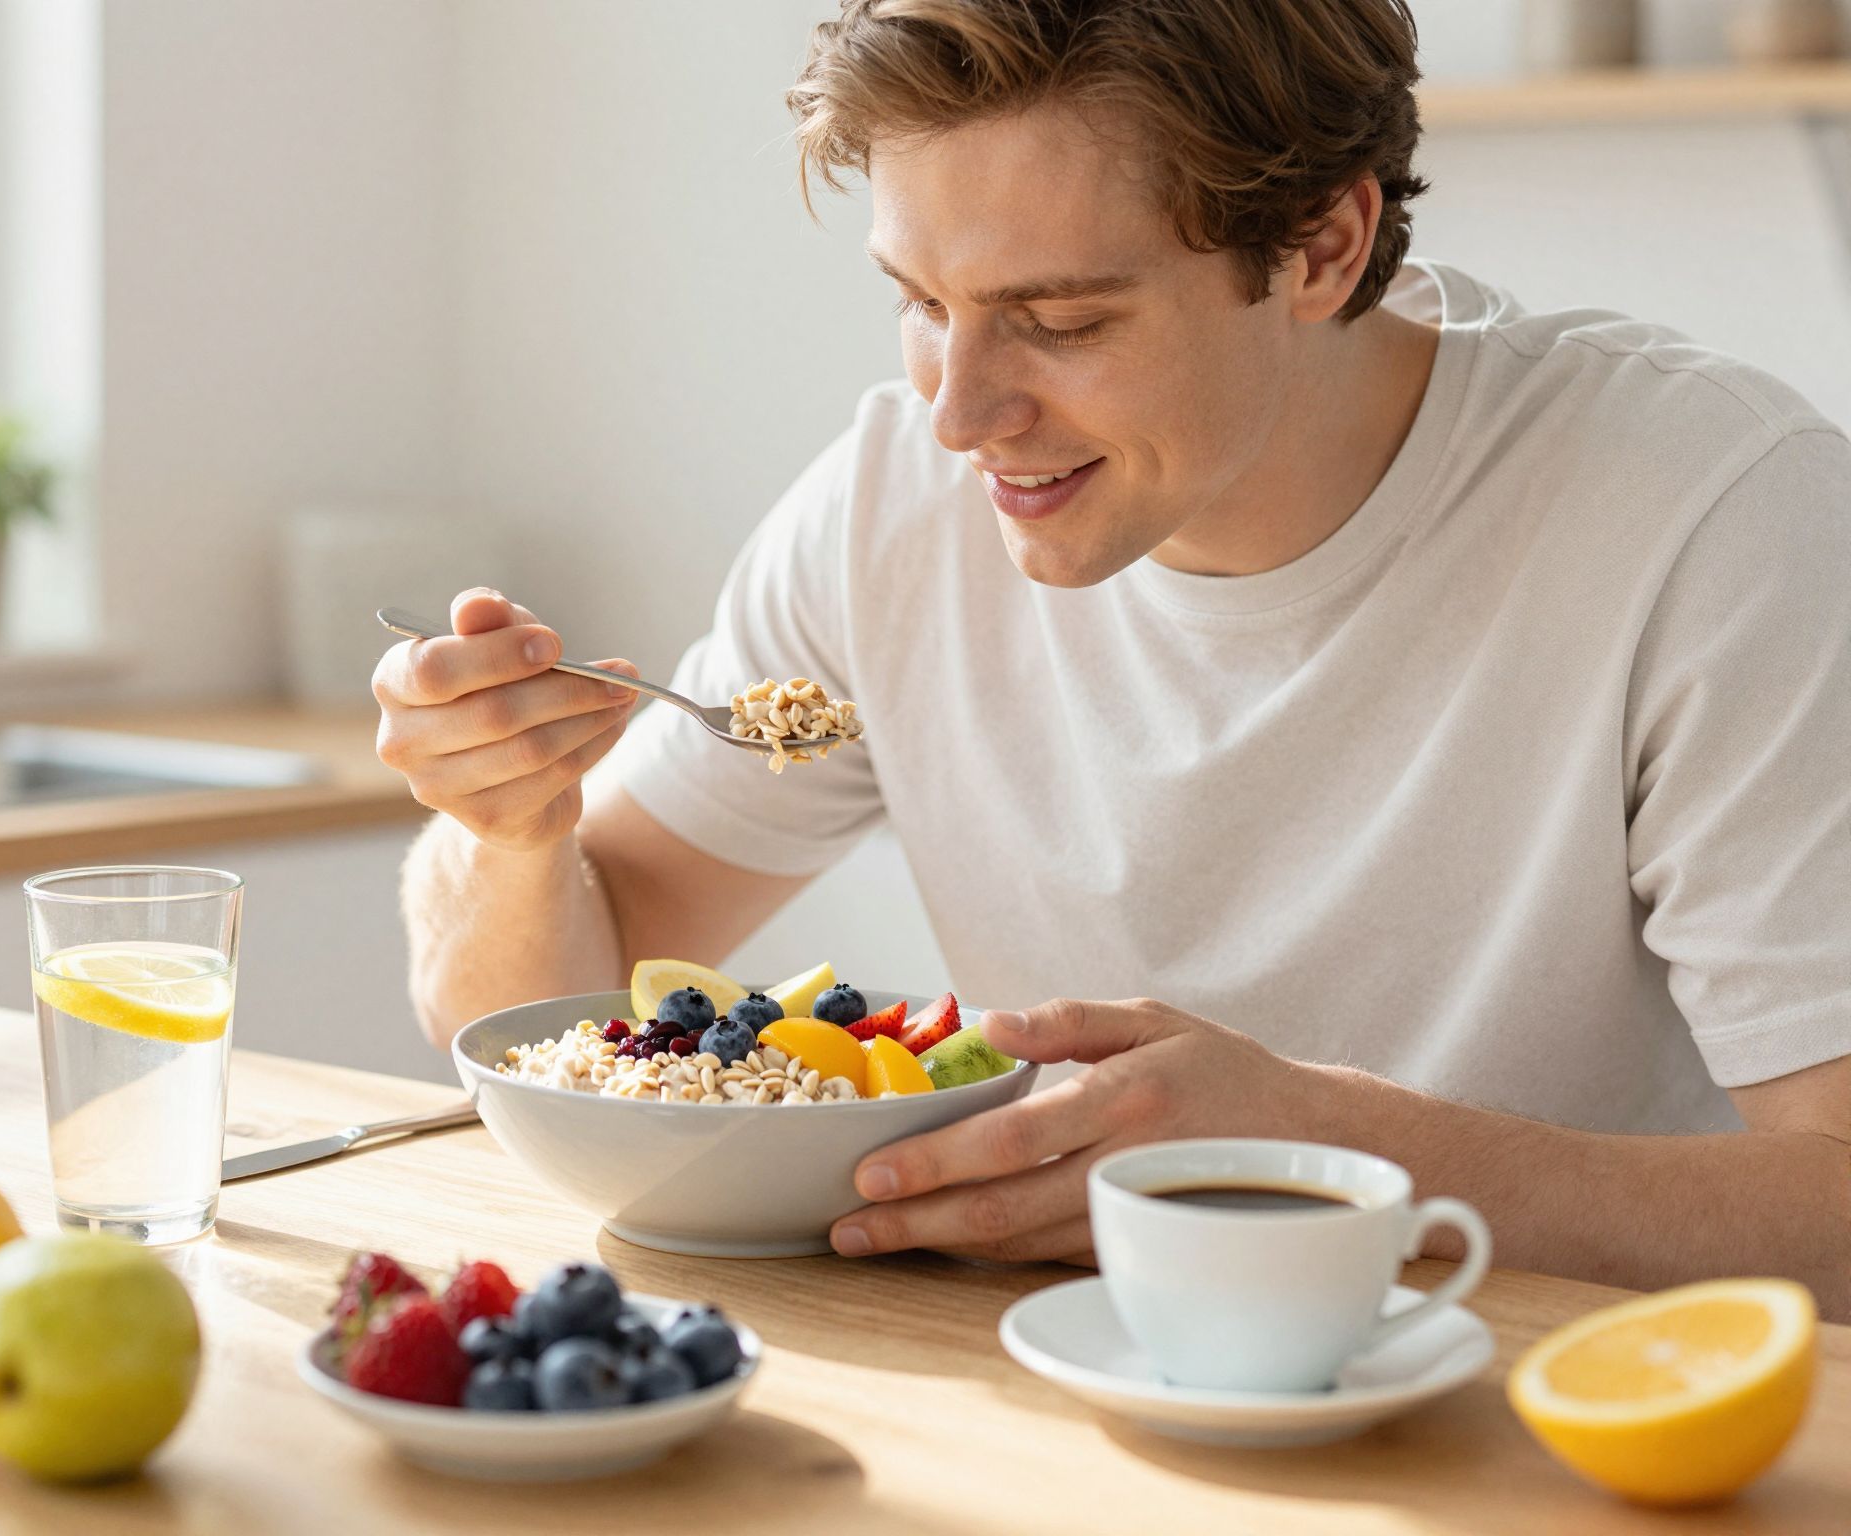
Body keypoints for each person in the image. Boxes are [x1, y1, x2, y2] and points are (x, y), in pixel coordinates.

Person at [373, 0, 1851, 1315]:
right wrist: (509, 835)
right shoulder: (890, 504)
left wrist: (1334, 1155)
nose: (958, 413)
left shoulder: (1711, 514)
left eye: (1060, 319)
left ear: (1323, 246)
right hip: (1060, 1397)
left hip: (1550, 1415)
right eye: (920, 304)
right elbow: (544, 1002)